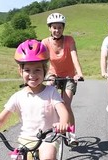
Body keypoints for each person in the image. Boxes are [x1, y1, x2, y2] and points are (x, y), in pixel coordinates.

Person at [42, 13, 84, 147]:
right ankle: (46, 130)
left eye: (59, 27)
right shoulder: (45, 42)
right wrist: (41, 76)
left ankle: (72, 134)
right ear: (49, 28)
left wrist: (79, 73)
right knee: (48, 98)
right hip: (53, 74)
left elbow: (74, 57)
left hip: (69, 77)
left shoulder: (69, 40)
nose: (57, 30)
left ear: (63, 28)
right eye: (54, 27)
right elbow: (42, 61)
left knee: (66, 104)